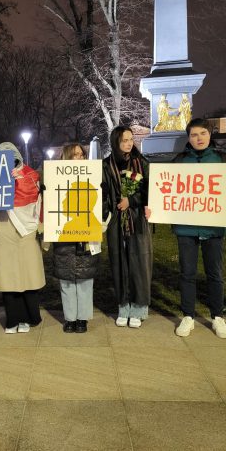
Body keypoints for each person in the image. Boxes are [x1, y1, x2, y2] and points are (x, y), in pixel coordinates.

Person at [171, 119, 226, 338]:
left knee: (214, 274)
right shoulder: (179, 161)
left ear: (210, 134)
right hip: (186, 227)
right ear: (188, 138)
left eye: (203, 133)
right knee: (187, 273)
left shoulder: (222, 159)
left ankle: (217, 316)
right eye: (194, 134)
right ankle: (188, 315)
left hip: (213, 227)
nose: (199, 138)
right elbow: (169, 191)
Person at [0, 142, 45, 334]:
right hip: (4, 228)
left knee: (28, 275)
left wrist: (17, 182)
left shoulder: (30, 174)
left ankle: (30, 317)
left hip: (27, 231)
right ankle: (13, 319)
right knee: (9, 277)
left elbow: (33, 197)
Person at [102, 126, 152, 328]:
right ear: (115, 142)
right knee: (119, 262)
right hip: (116, 221)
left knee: (139, 263)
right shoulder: (107, 164)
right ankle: (123, 306)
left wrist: (131, 200)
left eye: (131, 139)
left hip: (137, 219)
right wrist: (110, 207)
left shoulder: (142, 163)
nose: (129, 143)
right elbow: (103, 191)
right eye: (124, 140)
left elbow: (150, 190)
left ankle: (139, 309)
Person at [52, 143, 99, 333]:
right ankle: (70, 318)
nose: (79, 158)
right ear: (66, 158)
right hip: (64, 237)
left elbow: (99, 205)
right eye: (74, 155)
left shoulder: (92, 179)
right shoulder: (55, 178)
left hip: (87, 235)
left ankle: (83, 318)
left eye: (81, 155)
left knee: (85, 281)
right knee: (67, 281)